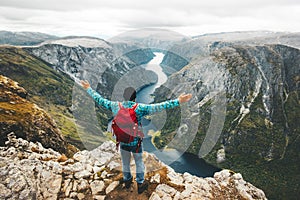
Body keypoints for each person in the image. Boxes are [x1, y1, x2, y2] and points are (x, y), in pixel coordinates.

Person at [80, 80, 192, 194]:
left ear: (124, 97)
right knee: (138, 161)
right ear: (135, 98)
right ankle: (140, 183)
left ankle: (127, 181)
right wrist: (178, 101)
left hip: (122, 141)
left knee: (125, 162)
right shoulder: (140, 108)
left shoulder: (115, 106)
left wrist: (88, 88)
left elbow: (100, 100)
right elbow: (160, 106)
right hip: (135, 141)